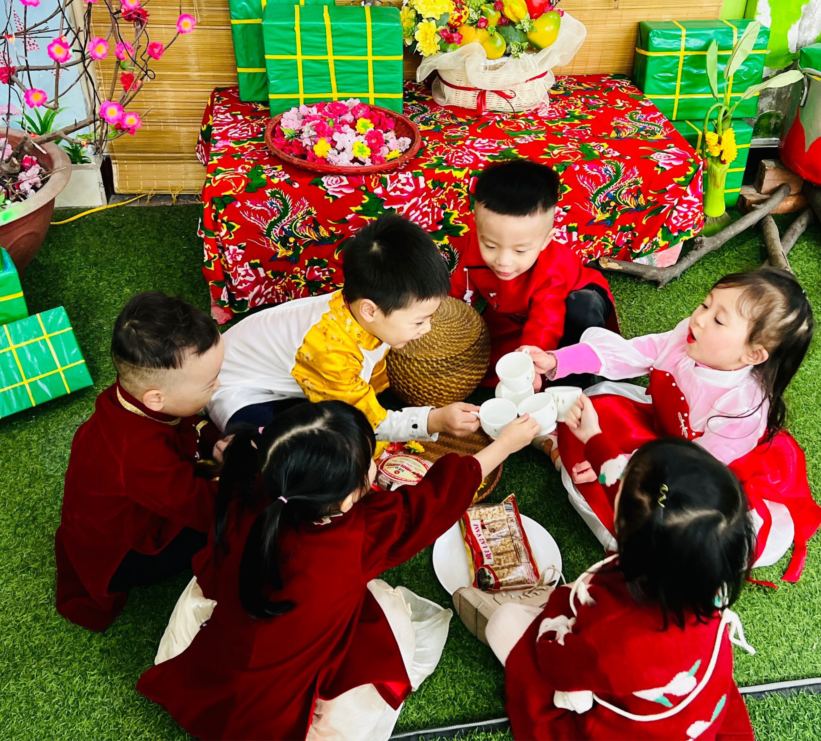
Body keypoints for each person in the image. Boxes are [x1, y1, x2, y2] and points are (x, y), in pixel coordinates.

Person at [137, 400, 541, 741]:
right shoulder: (360, 535)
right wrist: (505, 444)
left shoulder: (249, 491)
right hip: (280, 715)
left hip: (216, 676)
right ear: (347, 500)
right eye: (369, 462)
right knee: (386, 614)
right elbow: (433, 500)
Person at [522, 268, 821, 582]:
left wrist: (621, 463)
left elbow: (694, 467)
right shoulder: (687, 336)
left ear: (753, 354)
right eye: (705, 304)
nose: (699, 319)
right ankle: (574, 454)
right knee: (593, 407)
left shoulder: (741, 409)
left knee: (660, 526)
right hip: (663, 433)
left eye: (719, 320)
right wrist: (557, 361)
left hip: (699, 475)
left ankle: (623, 531)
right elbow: (633, 353)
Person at [457, 437, 758, 741]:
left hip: (609, 713)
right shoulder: (700, 575)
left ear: (628, 530)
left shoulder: (619, 633)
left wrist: (559, 605)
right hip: (682, 713)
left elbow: (556, 666)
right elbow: (646, 509)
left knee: (504, 623)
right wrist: (594, 440)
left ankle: (535, 608)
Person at [209, 213, 480, 446]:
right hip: (237, 394)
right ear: (370, 311)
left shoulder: (361, 311)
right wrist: (433, 420)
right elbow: (364, 423)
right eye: (419, 322)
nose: (427, 329)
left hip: (284, 385)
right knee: (312, 447)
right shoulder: (329, 350)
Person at [55, 292, 228, 631]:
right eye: (210, 382)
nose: (218, 384)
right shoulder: (139, 456)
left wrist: (211, 438)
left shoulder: (130, 398)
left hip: (135, 506)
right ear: (156, 398)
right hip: (129, 554)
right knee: (234, 518)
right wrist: (230, 475)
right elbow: (204, 508)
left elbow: (188, 424)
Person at [448, 158, 614, 386]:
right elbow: (457, 294)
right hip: (516, 313)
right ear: (476, 226)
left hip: (574, 299)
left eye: (520, 250)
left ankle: (589, 375)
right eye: (490, 246)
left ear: (546, 240)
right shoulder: (471, 246)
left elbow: (547, 320)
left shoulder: (553, 268)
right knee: (485, 360)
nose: (503, 261)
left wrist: (531, 363)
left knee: (578, 319)